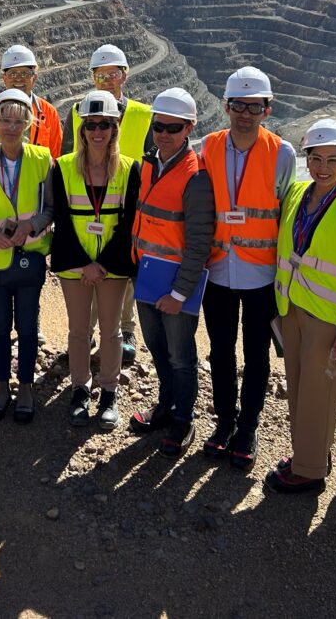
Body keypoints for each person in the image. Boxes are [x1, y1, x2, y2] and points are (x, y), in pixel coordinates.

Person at [266, 119, 336, 493]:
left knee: (319, 394)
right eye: (316, 158)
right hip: (294, 307)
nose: (323, 167)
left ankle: (309, 471)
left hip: (327, 319)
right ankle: (309, 453)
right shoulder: (298, 194)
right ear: (307, 159)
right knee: (298, 387)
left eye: (333, 159)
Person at [200, 67, 296, 470]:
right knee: (221, 352)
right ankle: (224, 422)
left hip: (260, 276)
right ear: (226, 106)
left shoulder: (283, 154)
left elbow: (288, 215)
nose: (245, 113)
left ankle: (248, 428)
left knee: (257, 357)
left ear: (267, 109)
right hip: (218, 270)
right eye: (238, 105)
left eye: (254, 106)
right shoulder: (207, 146)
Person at [128, 88, 214, 457]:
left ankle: (183, 419)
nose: (163, 134)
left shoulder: (196, 178)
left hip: (176, 284)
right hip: (146, 276)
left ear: (189, 128)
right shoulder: (150, 163)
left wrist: (179, 294)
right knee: (157, 348)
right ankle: (166, 405)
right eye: (158, 126)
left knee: (181, 355)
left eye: (173, 128)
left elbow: (199, 244)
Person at [51, 90, 139, 431]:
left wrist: (102, 264)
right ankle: (79, 389)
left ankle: (109, 392)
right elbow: (60, 218)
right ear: (82, 129)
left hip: (113, 266)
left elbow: (130, 222)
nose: (98, 131)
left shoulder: (131, 170)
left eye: (105, 124)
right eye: (91, 125)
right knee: (77, 330)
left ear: (115, 129)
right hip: (75, 265)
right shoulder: (63, 168)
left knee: (112, 331)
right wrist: (85, 264)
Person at [63, 44, 154, 364]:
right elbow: (66, 156)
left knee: (122, 268)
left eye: (113, 74)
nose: (107, 80)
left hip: (128, 201)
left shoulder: (145, 114)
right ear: (92, 77)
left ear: (125, 75)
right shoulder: (77, 112)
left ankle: (125, 332)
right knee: (88, 263)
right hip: (87, 201)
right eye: (100, 75)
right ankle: (84, 332)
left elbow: (152, 159)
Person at [0, 89, 54, 423]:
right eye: (5, 119)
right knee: (0, 326)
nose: (11, 126)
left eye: (19, 120)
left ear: (29, 124)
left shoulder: (42, 159)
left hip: (30, 257)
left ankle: (27, 387)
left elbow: (50, 209)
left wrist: (30, 226)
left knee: (29, 327)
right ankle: (1, 386)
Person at [0, 44, 63, 159]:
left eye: (25, 73)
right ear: (4, 77)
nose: (19, 78)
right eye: (13, 73)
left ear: (34, 77)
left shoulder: (49, 112)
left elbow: (57, 157)